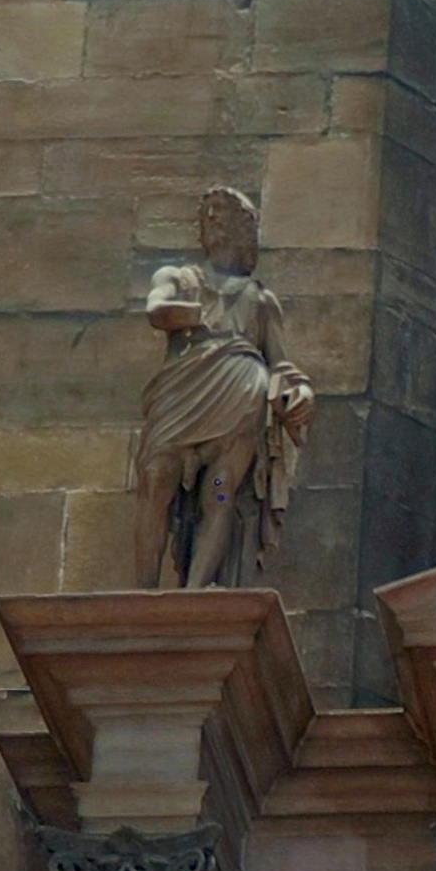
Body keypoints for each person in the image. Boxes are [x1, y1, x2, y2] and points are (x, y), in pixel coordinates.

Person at [132, 187, 313, 588]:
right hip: (183, 390)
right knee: (156, 477)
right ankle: (143, 589)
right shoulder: (180, 278)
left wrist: (299, 393)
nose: (211, 220)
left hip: (241, 394)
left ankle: (195, 592)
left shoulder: (260, 300)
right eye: (207, 215)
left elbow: (281, 363)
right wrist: (193, 312)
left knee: (219, 490)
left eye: (221, 214)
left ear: (241, 229)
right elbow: (156, 309)